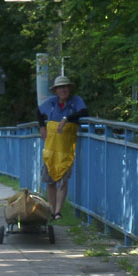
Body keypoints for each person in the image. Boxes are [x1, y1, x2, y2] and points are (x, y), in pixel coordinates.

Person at [37, 74, 88, 219]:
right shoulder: (51, 103)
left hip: (66, 148)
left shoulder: (76, 101)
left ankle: (58, 211)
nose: (62, 90)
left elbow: (84, 112)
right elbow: (39, 112)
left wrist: (67, 118)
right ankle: (51, 209)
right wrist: (42, 127)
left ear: (69, 88)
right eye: (59, 88)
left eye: (65, 87)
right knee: (50, 180)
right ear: (56, 90)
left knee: (63, 180)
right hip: (51, 147)